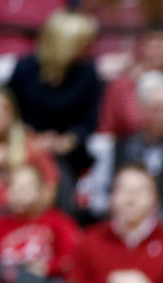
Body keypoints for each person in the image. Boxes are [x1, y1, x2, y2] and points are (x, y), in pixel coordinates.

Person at [6, 10, 102, 192]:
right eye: (84, 44)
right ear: (65, 44)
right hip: (25, 144)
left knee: (60, 172)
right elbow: (10, 111)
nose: (90, 49)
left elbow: (90, 120)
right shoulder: (26, 68)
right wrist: (30, 137)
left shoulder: (88, 72)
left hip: (69, 151)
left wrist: (68, 140)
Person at [101, 71, 163, 220]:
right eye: (155, 109)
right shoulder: (121, 147)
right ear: (141, 109)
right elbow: (100, 194)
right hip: (126, 220)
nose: (161, 115)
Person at [98, 22, 163, 141]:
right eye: (155, 44)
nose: (161, 50)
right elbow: (108, 126)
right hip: (130, 150)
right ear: (143, 46)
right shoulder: (122, 85)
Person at [0, 165, 80, 280]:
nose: (18, 194)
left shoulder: (58, 222)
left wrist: (49, 268)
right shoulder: (2, 224)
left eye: (24, 188)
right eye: (14, 188)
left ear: (40, 191)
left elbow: (73, 258)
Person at [0, 88, 60, 211]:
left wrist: (30, 205)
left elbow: (51, 185)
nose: (0, 114)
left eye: (5, 108)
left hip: (24, 217)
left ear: (13, 112)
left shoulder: (31, 144)